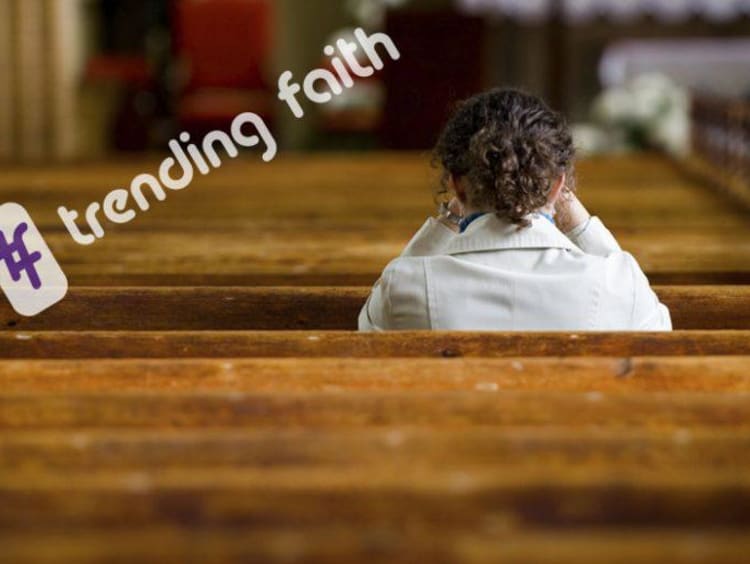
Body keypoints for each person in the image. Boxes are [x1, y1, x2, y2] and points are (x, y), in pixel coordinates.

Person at [358, 88, 671, 331]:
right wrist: (574, 215)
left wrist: (448, 218)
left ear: (457, 184)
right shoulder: (617, 283)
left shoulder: (405, 287)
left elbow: (370, 325)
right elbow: (658, 331)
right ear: (557, 185)